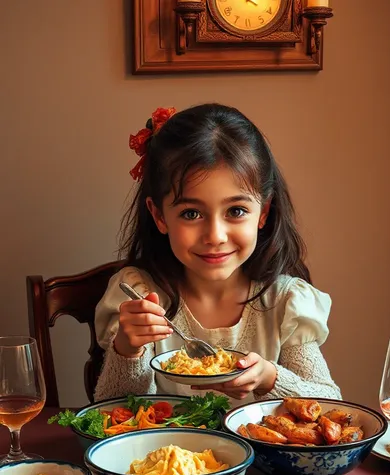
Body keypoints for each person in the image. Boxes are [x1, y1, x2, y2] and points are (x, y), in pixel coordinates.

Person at [94, 103, 341, 405]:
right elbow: (109, 412)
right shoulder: (139, 296)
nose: (215, 236)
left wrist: (269, 377)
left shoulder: (284, 303)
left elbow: (330, 404)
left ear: (262, 213)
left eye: (236, 211)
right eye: (191, 213)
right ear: (159, 216)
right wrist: (127, 349)